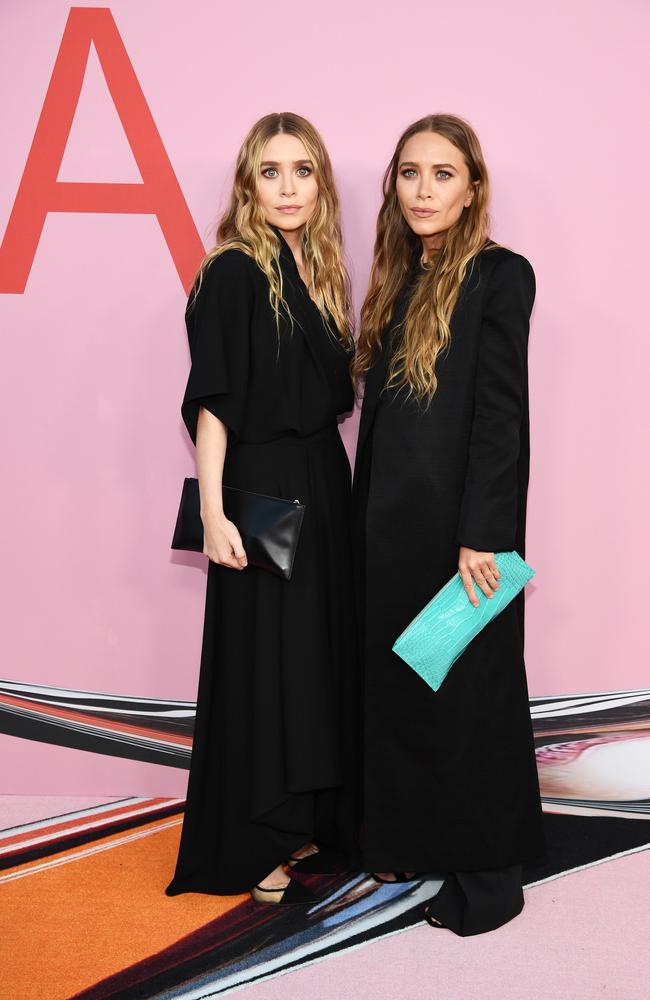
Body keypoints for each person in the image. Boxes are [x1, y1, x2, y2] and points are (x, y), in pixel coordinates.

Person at [350, 114, 548, 936]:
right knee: (402, 692)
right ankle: (414, 839)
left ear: (473, 191)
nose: (423, 190)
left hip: (461, 529)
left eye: (442, 174)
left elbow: (501, 416)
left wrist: (484, 533)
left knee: (472, 698)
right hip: (387, 524)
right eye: (409, 173)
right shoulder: (396, 278)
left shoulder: (503, 275)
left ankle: (490, 878)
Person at [165, 112, 362, 907]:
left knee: (313, 660)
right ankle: (251, 840)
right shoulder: (234, 270)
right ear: (249, 182)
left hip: (324, 481)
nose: (288, 187)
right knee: (263, 666)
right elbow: (216, 404)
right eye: (272, 170)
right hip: (263, 489)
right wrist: (214, 512)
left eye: (303, 170)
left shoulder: (317, 270)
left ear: (321, 184)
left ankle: (304, 815)